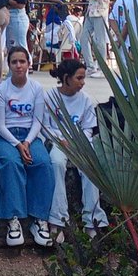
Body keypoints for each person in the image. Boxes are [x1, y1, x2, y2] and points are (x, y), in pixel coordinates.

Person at [0, 46, 54, 248]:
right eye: (14, 62)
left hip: (30, 135)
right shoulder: (2, 90)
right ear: (8, 65)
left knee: (43, 163)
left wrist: (27, 142)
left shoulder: (36, 89)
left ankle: (39, 219)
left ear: (28, 64)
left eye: (22, 61)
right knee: (10, 163)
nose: (18, 65)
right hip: (7, 136)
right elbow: (0, 125)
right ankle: (13, 219)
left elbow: (37, 121)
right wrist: (18, 145)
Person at [42, 58, 107, 238]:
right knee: (56, 163)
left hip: (80, 143)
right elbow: (45, 126)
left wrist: (78, 141)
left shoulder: (85, 100)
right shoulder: (50, 97)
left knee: (89, 168)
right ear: (66, 78)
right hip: (58, 142)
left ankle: (92, 220)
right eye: (79, 78)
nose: (82, 82)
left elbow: (88, 128)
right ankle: (58, 219)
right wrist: (59, 139)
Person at [79, 0, 113, 77]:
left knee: (100, 40)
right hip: (90, 11)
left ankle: (102, 67)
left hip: (100, 11)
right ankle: (90, 66)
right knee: (83, 38)